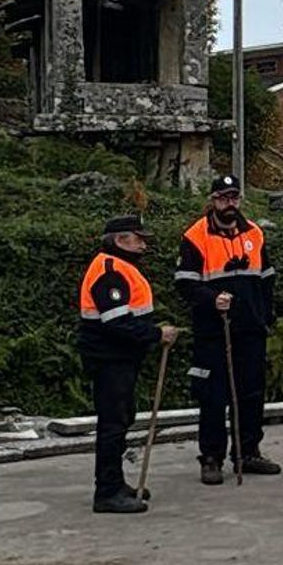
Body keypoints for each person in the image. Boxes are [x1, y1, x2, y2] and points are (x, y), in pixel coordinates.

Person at [175, 174, 281, 484]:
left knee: (251, 393)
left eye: (234, 197)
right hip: (214, 331)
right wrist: (211, 299)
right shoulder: (195, 236)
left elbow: (267, 280)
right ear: (212, 201)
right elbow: (184, 284)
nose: (229, 203)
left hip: (250, 330)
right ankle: (211, 458)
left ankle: (247, 452)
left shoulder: (255, 234)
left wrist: (265, 317)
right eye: (223, 198)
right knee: (212, 396)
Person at [78, 215, 179, 514]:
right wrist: (156, 334)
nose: (144, 244)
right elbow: (117, 323)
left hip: (120, 358)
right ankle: (107, 492)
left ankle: (115, 482)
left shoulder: (121, 267)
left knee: (120, 420)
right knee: (112, 424)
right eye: (139, 238)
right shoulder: (109, 271)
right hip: (111, 358)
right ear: (121, 240)